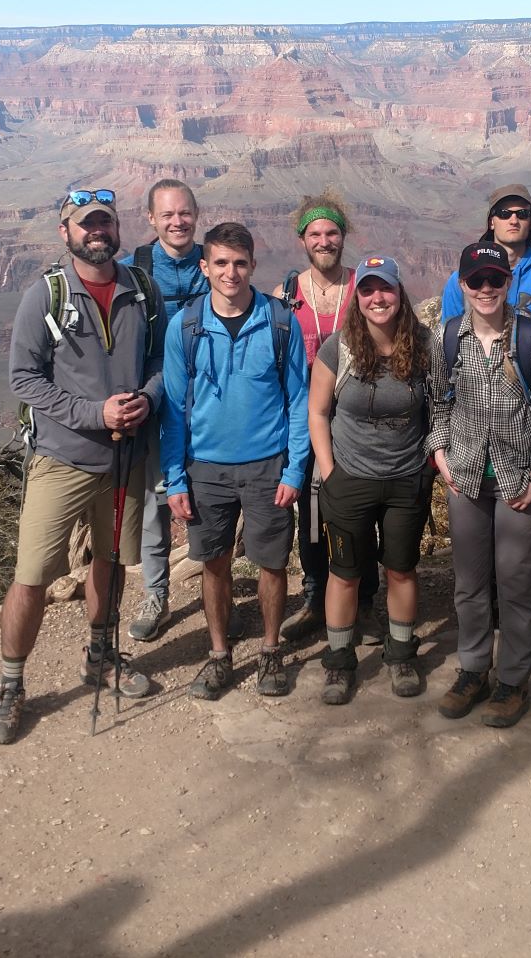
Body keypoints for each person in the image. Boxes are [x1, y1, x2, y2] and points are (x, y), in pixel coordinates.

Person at [0, 188, 163, 745]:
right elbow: (23, 379)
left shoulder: (141, 289)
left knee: (109, 560)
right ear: (66, 232)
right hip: (62, 459)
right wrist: (94, 412)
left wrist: (148, 400)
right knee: (33, 574)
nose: (96, 232)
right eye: (85, 225)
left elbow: (159, 359)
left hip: (125, 456)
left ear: (117, 229)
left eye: (104, 223)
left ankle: (101, 654)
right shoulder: (46, 294)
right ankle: (12, 685)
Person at [428, 240, 531, 728]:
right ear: (463, 285)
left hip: (519, 482)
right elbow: (439, 404)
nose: (486, 288)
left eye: (495, 279)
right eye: (476, 280)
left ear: (508, 282)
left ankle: (512, 681)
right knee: (469, 584)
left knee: (515, 583)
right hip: (466, 477)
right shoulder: (449, 338)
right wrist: (440, 452)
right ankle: (473, 670)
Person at [162, 222, 310, 701]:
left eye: (240, 263)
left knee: (271, 564)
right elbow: (172, 408)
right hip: (205, 468)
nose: (231, 272)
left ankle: (270, 652)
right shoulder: (183, 326)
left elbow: (298, 401)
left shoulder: (280, 322)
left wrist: (293, 469)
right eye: (221, 263)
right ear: (204, 267)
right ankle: (220, 655)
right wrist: (174, 478)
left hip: (268, 465)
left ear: (252, 265)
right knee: (215, 564)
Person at [307, 256, 437, 704]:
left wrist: (429, 466)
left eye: (386, 289)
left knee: (401, 570)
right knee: (344, 575)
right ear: (357, 298)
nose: (377, 298)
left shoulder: (423, 344)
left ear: (401, 294)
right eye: (367, 290)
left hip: (406, 480)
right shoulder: (338, 348)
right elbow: (318, 411)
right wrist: (329, 472)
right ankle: (340, 663)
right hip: (350, 480)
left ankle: (401, 653)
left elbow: (438, 408)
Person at [272, 194, 383, 644]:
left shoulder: (364, 287)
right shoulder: (286, 293)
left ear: (343, 237)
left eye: (332, 233)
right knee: (312, 512)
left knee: (366, 511)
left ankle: (368, 600)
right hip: (305, 419)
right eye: (315, 234)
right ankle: (316, 598)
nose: (324, 241)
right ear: (303, 240)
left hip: (359, 420)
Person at [124, 179, 209, 643]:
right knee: (158, 502)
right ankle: (155, 594)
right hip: (157, 404)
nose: (177, 222)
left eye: (185, 213)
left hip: (210, 403)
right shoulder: (132, 270)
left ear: (196, 215)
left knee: (212, 496)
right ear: (151, 220)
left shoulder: (213, 264)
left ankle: (215, 590)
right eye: (168, 215)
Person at [439, 184, 531, 377]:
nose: (513, 220)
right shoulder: (461, 282)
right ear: (491, 222)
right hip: (475, 397)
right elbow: (449, 347)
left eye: (522, 214)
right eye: (504, 214)